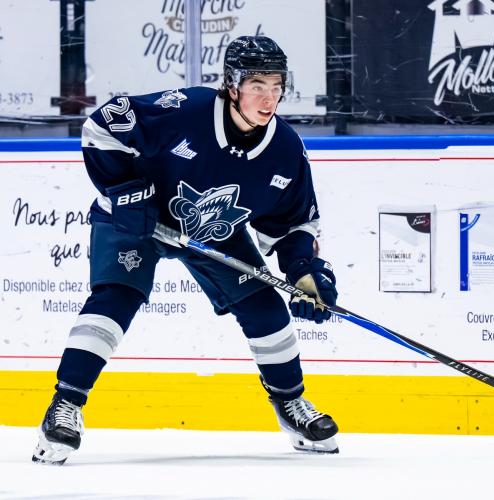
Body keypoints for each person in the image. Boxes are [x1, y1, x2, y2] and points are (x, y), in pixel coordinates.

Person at [32, 35, 339, 465]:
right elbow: (102, 126)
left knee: (267, 308)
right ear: (232, 85)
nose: (269, 98)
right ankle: (65, 405)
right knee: (116, 299)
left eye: (276, 86)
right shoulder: (185, 110)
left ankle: (290, 404)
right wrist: (125, 190)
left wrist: (304, 269)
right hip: (138, 216)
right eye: (257, 86)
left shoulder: (285, 150)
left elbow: (292, 223)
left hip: (211, 226)